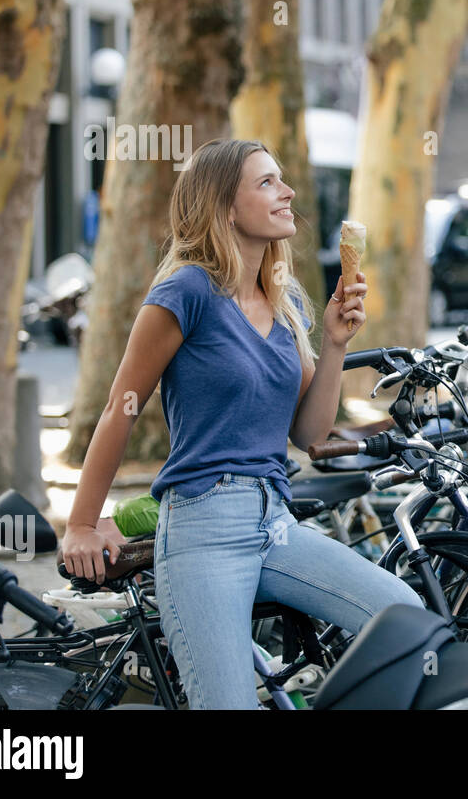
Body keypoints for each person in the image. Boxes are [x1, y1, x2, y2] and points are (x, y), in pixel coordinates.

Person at [60, 138, 421, 709]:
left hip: (276, 521)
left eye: (282, 179)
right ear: (225, 206)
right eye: (267, 182)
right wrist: (81, 523)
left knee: (407, 622)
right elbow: (119, 408)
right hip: (202, 530)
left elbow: (309, 434)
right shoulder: (186, 291)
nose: (289, 192)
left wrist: (332, 342)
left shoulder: (285, 302)